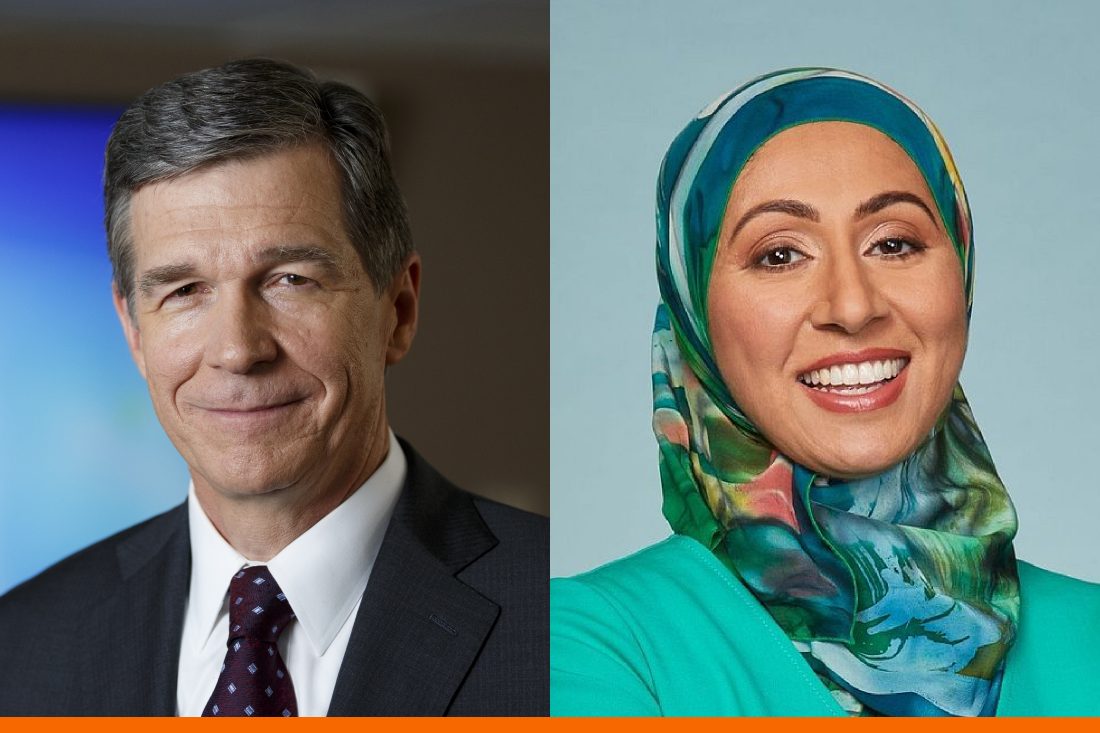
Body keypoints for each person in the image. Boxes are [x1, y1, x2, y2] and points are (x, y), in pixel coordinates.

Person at [0, 58, 547, 717]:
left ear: (397, 309)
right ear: (134, 332)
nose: (237, 349)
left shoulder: (562, 617)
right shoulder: (23, 646)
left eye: (290, 279)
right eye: (184, 291)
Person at [550, 68, 1100, 717]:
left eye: (894, 243)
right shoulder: (591, 645)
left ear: (962, 270)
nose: (852, 304)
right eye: (780, 254)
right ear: (694, 311)